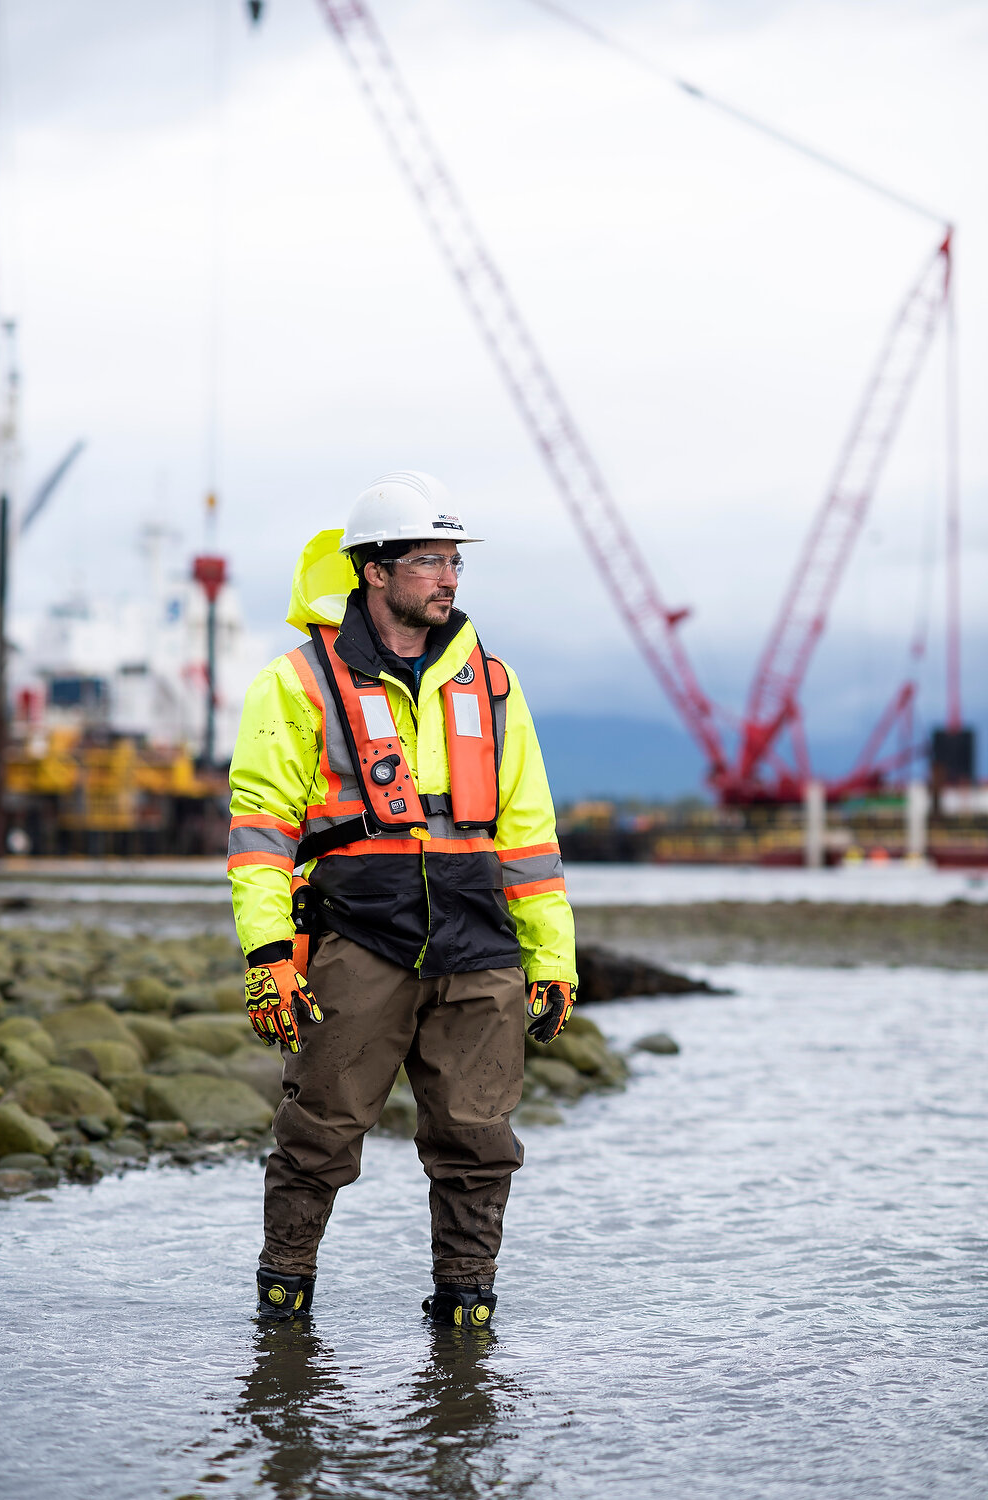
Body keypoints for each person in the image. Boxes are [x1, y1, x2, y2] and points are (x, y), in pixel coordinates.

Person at [228, 470, 577, 1328]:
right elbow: (260, 831)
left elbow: (529, 835)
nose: (449, 578)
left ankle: (467, 1311)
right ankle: (283, 1303)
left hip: (481, 944)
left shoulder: (492, 684)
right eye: (429, 560)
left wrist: (553, 958)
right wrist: (270, 955)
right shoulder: (296, 683)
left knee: (478, 1143)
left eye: (455, 561)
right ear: (372, 571)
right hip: (356, 938)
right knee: (318, 1134)